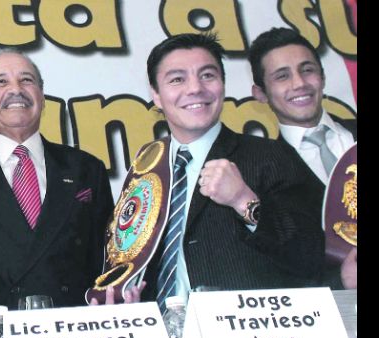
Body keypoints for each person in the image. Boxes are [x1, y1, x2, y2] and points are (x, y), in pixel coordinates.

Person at [123, 33, 323, 307]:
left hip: (247, 333)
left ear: (223, 85)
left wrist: (243, 200)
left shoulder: (271, 155)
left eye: (207, 75)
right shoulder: (147, 169)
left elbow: (309, 254)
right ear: (156, 95)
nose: (195, 88)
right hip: (164, 334)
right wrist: (132, 292)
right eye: (177, 79)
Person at [0, 49, 114, 308]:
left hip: (74, 331)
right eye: (1, 82)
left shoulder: (86, 168)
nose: (16, 89)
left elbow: (106, 258)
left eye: (26, 80)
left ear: (42, 98)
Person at [249, 27, 357, 289]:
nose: (299, 83)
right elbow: (284, 266)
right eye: (282, 76)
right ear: (260, 94)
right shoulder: (263, 174)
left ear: (322, 76)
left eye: (307, 69)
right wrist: (341, 281)